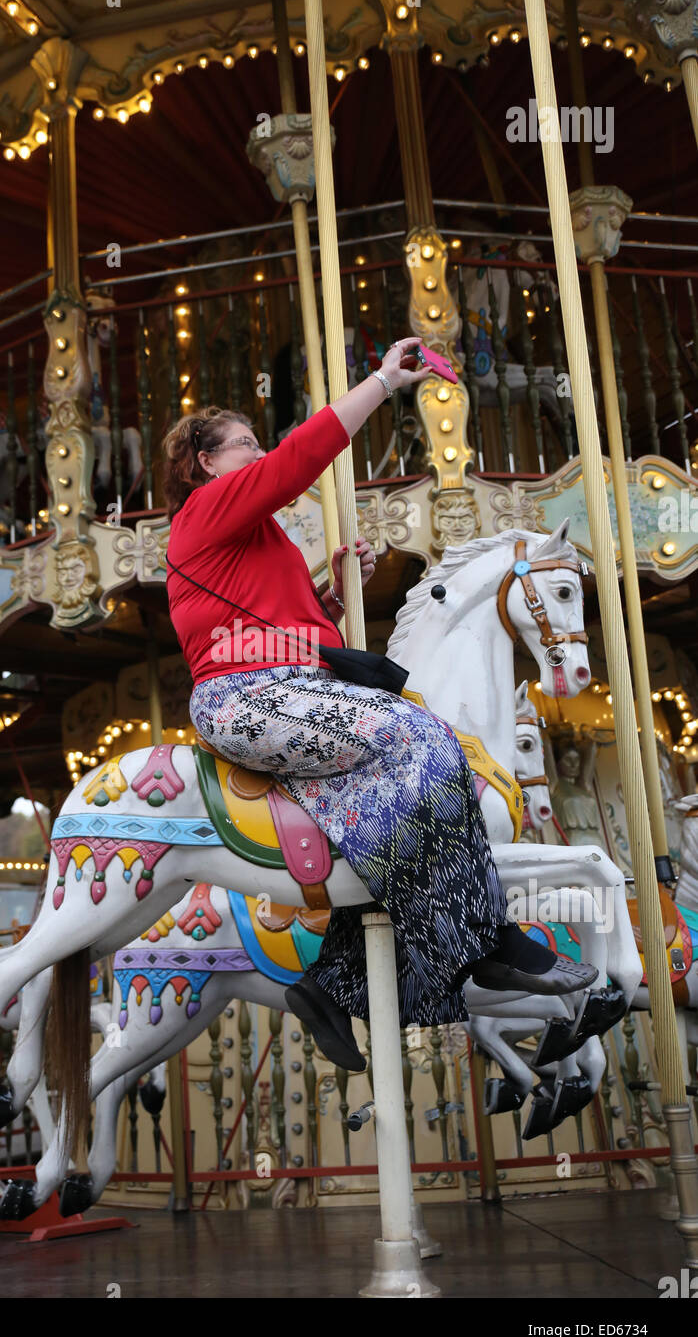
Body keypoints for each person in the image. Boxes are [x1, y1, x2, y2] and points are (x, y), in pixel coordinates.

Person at [163, 337, 596, 1071]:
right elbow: (298, 459)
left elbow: (285, 629)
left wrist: (335, 592)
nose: (255, 452)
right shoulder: (210, 508)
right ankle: (489, 943)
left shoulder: (255, 541)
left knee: (411, 781)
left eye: (254, 443)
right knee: (422, 737)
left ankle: (333, 980)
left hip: (288, 686)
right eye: (241, 444)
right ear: (206, 461)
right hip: (245, 696)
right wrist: (382, 382)